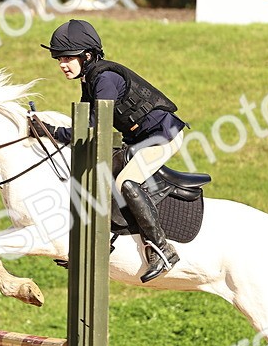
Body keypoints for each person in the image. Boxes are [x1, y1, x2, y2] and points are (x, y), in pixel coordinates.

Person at [36, 19, 188, 283]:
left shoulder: (104, 79)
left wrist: (53, 132)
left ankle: (162, 250)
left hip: (163, 136)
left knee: (127, 182)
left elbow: (94, 127)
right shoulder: (90, 79)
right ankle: (100, 243)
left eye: (67, 58)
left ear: (87, 55)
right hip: (139, 138)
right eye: (58, 58)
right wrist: (48, 128)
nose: (62, 64)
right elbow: (83, 122)